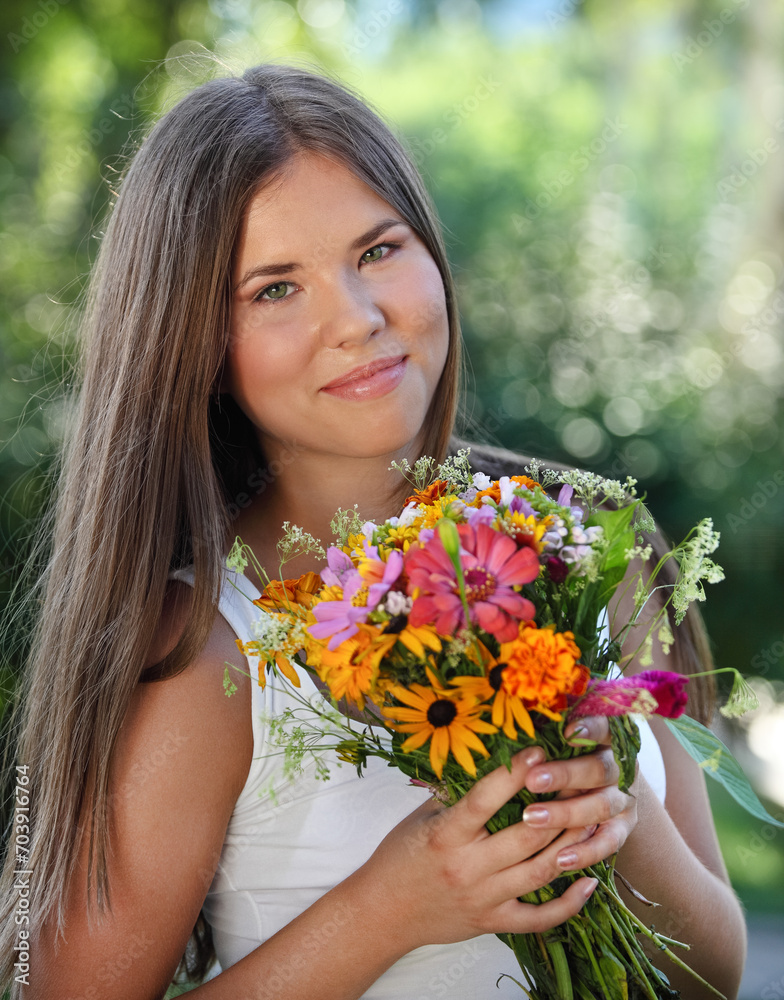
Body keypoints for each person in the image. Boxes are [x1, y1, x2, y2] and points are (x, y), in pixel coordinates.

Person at [0, 62, 746, 999]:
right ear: (190, 340)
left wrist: (620, 806)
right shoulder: (201, 649)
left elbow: (717, 975)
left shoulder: (593, 547)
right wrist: (389, 909)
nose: (356, 320)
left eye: (378, 250)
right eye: (274, 289)